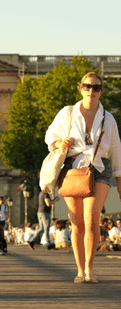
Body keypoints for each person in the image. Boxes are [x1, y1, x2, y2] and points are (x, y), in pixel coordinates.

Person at [45, 72, 121, 284]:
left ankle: (90, 267)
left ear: (101, 91)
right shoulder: (68, 113)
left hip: (99, 169)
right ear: (80, 88)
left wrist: (120, 181)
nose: (91, 90)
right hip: (72, 169)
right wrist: (60, 144)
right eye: (87, 86)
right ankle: (80, 270)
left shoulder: (108, 118)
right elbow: (50, 135)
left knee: (92, 218)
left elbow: (116, 150)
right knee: (77, 223)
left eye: (96, 87)